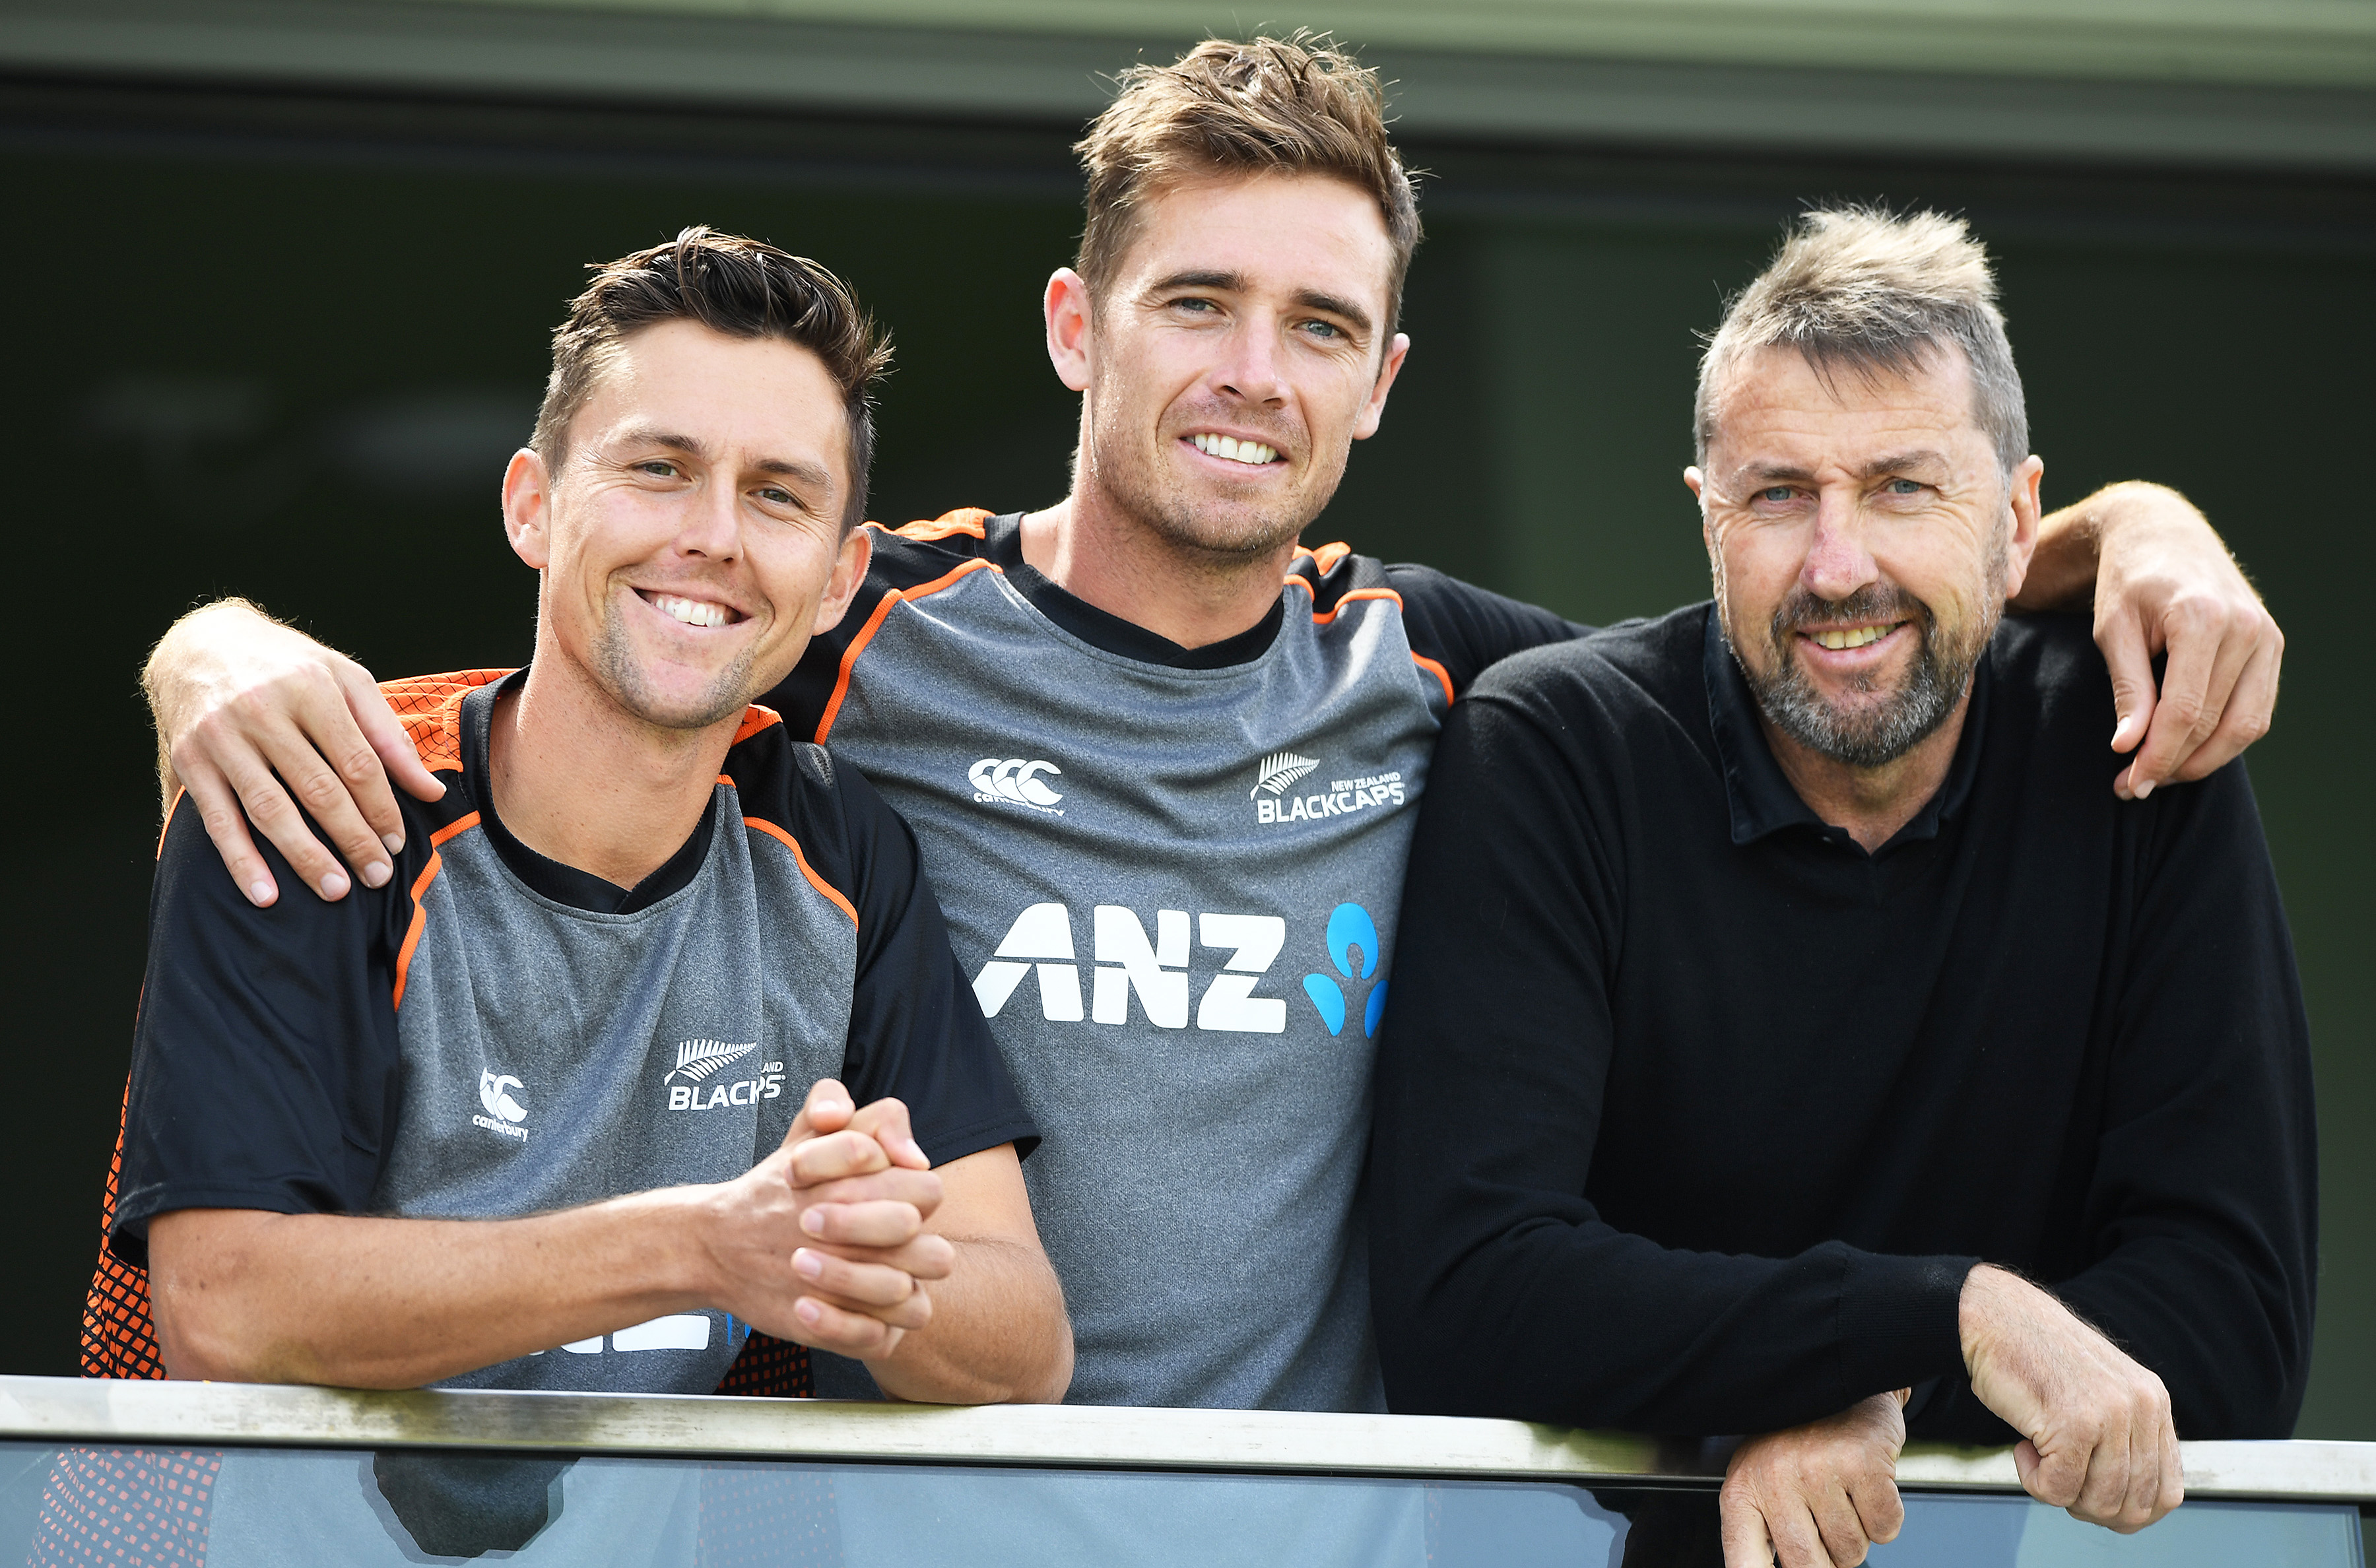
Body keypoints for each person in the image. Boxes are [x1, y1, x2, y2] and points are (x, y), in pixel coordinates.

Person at [131, 34, 2284, 1421]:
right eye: (1198, 304)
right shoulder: (856, 618)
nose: (1257, 371)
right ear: (1079, 324)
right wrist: (207, 648)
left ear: (1384, 380)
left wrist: (2125, 530)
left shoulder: (1459, 682)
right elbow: (611, 638)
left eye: (1320, 324)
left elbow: (1814, 625)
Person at [1364, 207, 2316, 1568]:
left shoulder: (2134, 755)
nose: (1836, 565)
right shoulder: (1560, 755)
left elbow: (2234, 1323)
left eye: (1901, 488)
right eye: (1776, 496)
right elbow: (1470, 1299)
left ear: (2017, 521)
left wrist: (1873, 1389)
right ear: (1706, 517)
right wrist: (1944, 1319)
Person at [102, 228, 1067, 1408]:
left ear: (835, 578)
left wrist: (839, 1255)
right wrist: (696, 1247)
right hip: (290, 1538)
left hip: (663, 1541)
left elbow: (1024, 1345)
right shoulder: (324, 790)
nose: (714, 535)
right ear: (533, 507)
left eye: (777, 494)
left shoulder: (837, 846)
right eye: (658, 468)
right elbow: (227, 1314)